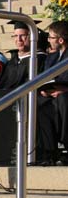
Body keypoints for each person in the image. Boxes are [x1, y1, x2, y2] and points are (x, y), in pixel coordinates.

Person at [36, 21, 68, 164]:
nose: (48, 40)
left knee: (63, 98)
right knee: (39, 104)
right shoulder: (52, 58)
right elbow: (46, 78)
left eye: (50, 37)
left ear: (60, 40)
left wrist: (65, 89)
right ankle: (49, 151)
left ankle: (65, 143)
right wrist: (45, 89)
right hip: (52, 95)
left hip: (64, 96)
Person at [0, 20, 46, 90]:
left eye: (23, 35)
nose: (19, 39)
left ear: (32, 37)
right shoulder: (13, 60)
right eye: (15, 35)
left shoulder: (39, 59)